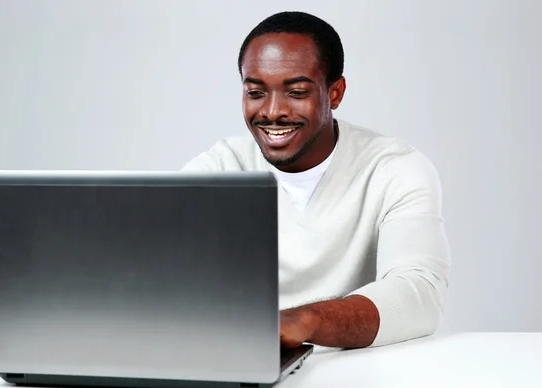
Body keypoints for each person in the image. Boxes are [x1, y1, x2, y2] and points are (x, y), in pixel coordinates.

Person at [182, 11, 451, 350]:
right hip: (242, 357)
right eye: (256, 92)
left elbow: (420, 293)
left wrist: (304, 322)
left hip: (358, 368)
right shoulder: (219, 168)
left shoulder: (395, 169)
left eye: (295, 92)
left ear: (335, 93)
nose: (272, 111)